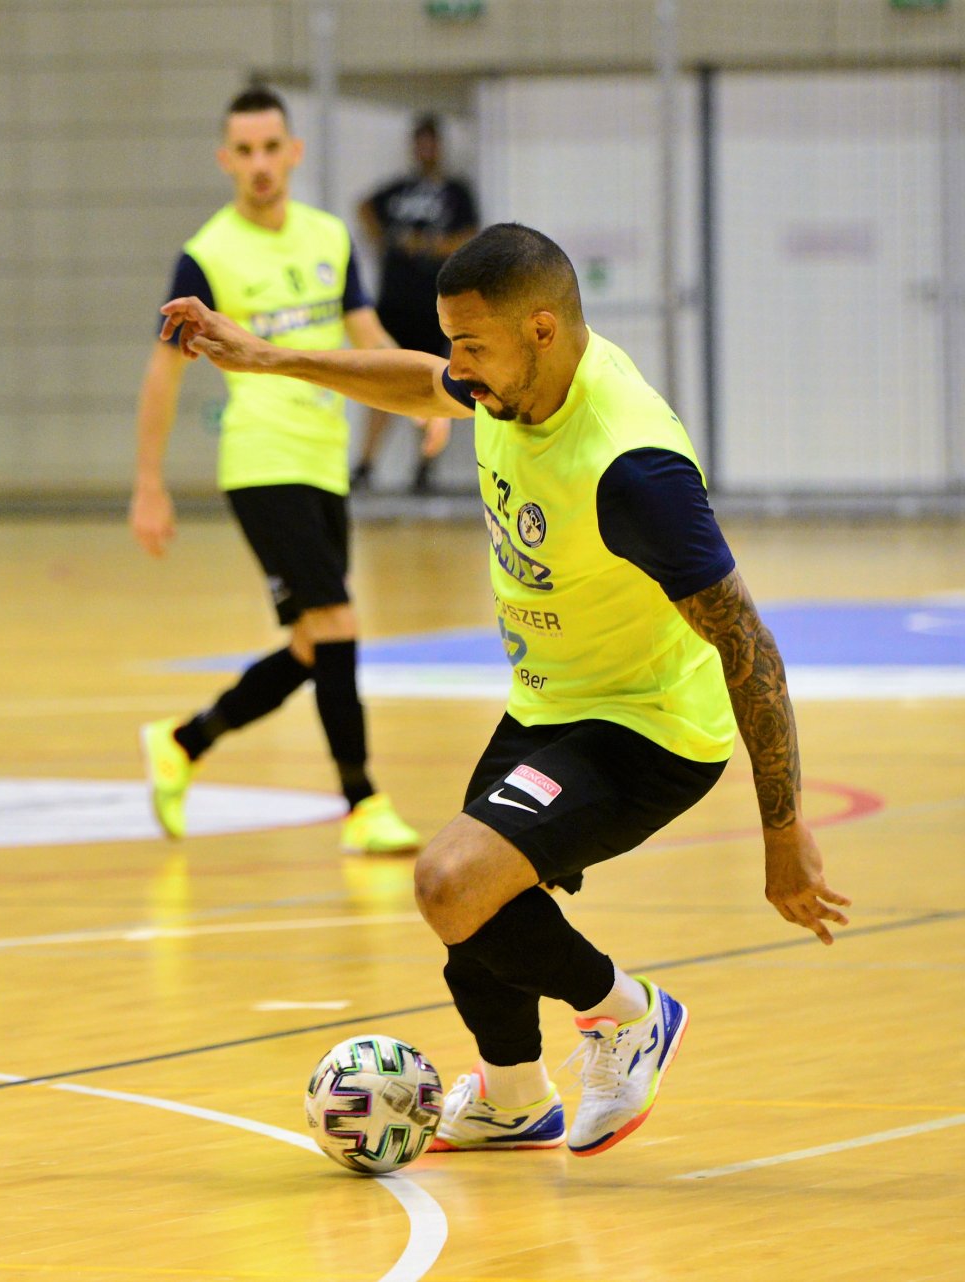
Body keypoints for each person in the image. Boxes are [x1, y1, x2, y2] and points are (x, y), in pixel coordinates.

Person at [159, 223, 848, 1156]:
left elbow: (748, 646)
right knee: (476, 900)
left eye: (470, 348)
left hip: (647, 729)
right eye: (452, 342)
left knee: (450, 880)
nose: (456, 370)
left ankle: (627, 1013)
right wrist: (262, 355)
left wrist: (783, 830)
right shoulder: (508, 379)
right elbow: (415, 382)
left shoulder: (631, 470)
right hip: (550, 700)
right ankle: (515, 1099)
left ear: (542, 332)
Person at [130, 85, 423, 857]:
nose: (260, 164)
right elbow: (164, 372)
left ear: (292, 153)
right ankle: (361, 801)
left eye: (272, 148)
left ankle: (185, 742)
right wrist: (149, 483)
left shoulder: (330, 237)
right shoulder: (207, 253)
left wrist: (426, 396)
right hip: (262, 461)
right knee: (338, 622)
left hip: (325, 463)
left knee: (311, 646)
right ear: (226, 160)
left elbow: (365, 331)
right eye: (245, 151)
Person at [353, 115, 478, 493]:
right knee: (383, 383)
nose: (425, 150)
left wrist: (428, 246)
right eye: (419, 143)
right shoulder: (398, 190)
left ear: (439, 147)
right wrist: (389, 240)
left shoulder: (456, 192)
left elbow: (469, 236)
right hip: (395, 303)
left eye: (431, 143)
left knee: (435, 385)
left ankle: (425, 466)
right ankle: (366, 464)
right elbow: (364, 208)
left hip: (436, 306)